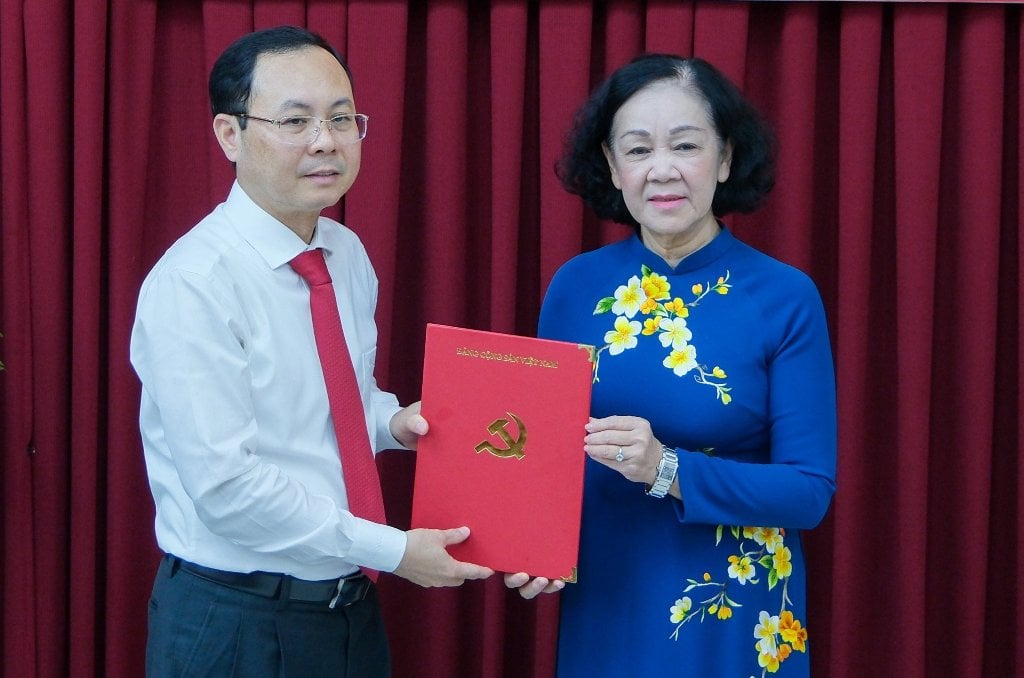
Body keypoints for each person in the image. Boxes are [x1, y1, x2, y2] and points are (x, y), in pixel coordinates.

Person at [130, 25, 493, 677]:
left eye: (342, 118)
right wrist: (392, 549)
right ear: (229, 134)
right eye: (296, 120)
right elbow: (228, 489)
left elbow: (344, 398)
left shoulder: (343, 254)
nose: (326, 140)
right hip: (235, 618)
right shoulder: (194, 283)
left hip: (347, 610)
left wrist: (395, 423)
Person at [505, 54, 837, 677]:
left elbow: (808, 492)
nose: (662, 170)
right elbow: (542, 457)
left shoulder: (785, 297)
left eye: (686, 146)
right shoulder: (575, 287)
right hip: (608, 595)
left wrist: (667, 468)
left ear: (727, 158)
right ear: (611, 164)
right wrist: (525, 541)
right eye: (637, 150)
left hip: (737, 611)